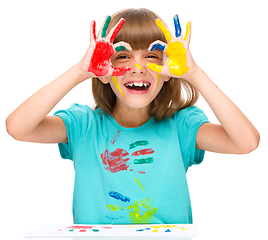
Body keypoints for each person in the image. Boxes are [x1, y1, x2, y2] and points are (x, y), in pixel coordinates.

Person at [6, 8, 259, 224]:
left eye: (151, 56)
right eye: (123, 57)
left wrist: (194, 74)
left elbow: (246, 142)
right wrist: (81, 70)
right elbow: (18, 127)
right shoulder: (83, 126)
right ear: (104, 71)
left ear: (168, 70)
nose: (138, 67)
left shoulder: (181, 126)